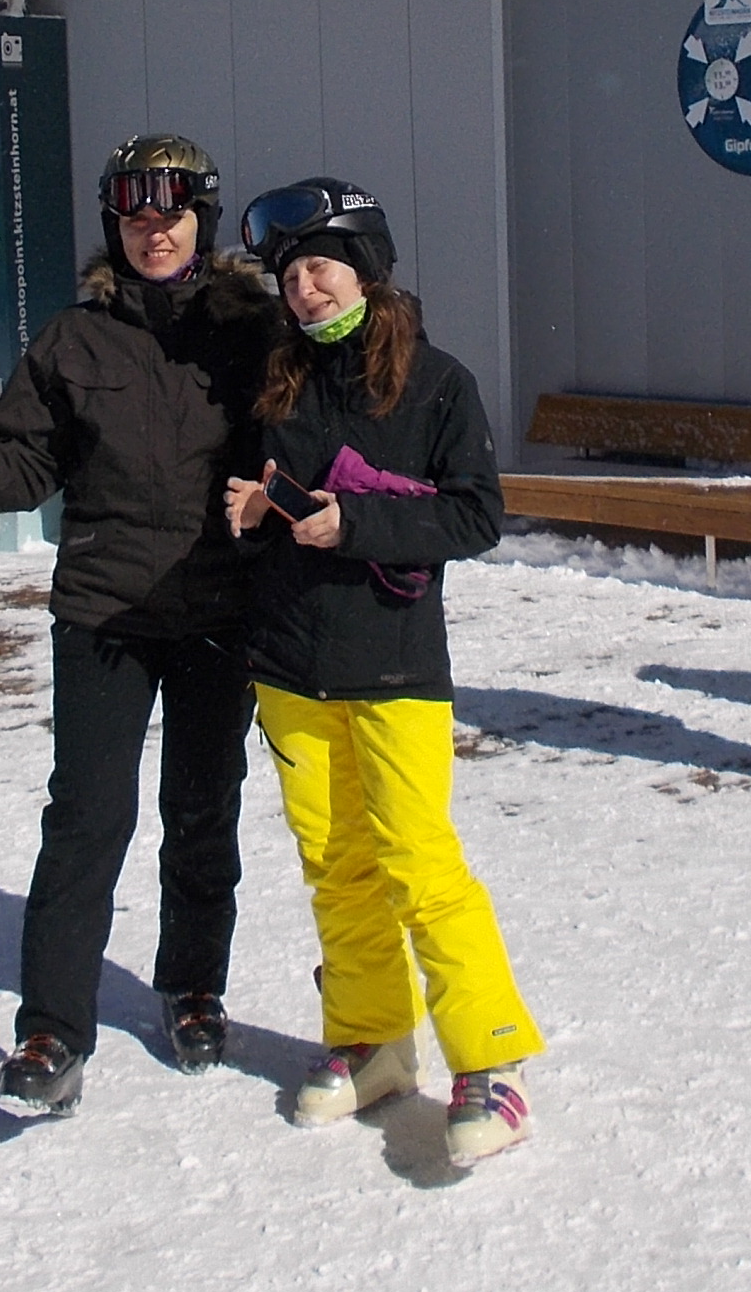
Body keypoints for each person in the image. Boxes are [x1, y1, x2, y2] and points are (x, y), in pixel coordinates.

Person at [0, 134, 277, 1118]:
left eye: (173, 213)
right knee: (87, 817)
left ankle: (192, 985)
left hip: (215, 605)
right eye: (136, 216)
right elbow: (25, 467)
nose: (154, 232)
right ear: (116, 222)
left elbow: (308, 436)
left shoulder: (252, 332)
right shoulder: (73, 339)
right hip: (104, 609)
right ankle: (52, 1028)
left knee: (204, 806)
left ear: (202, 217)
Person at [222, 178, 541, 1167]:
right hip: (289, 662)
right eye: (291, 274)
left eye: (322, 268)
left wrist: (357, 523)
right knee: (336, 864)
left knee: (418, 862)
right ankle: (372, 1043)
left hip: (393, 663)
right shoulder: (278, 379)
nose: (306, 290)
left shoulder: (437, 383)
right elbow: (275, 486)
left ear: (366, 271)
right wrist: (252, 502)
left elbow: (475, 515)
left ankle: (491, 1060)